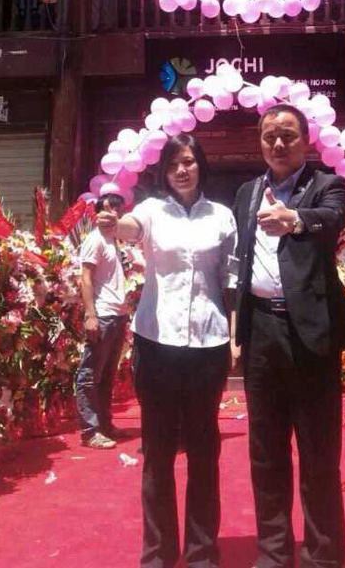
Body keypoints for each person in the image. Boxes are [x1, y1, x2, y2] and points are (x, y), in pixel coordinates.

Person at [97, 134, 238, 568]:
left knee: (203, 451)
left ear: (201, 166)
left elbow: (230, 281)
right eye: (174, 163)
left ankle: (202, 553)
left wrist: (235, 338)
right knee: (157, 452)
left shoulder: (222, 216)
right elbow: (131, 228)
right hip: (157, 344)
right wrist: (113, 224)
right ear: (164, 170)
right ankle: (158, 553)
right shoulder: (152, 211)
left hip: (208, 344)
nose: (182, 170)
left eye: (189, 162)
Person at [232, 104, 345, 568]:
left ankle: (323, 555)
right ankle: (274, 552)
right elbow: (241, 261)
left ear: (306, 140)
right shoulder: (247, 192)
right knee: (265, 451)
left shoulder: (329, 184)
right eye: (269, 136)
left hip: (311, 334)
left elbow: (334, 217)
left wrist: (295, 219)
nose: (278, 143)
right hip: (261, 331)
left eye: (287, 134)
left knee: (318, 450)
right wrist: (236, 330)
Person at [76, 193, 130, 449]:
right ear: (98, 213)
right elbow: (85, 278)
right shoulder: (94, 239)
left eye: (118, 208)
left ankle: (105, 424)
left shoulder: (115, 240)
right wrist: (90, 314)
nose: (114, 213)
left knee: (107, 375)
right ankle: (90, 431)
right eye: (108, 208)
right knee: (90, 374)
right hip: (103, 314)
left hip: (118, 315)